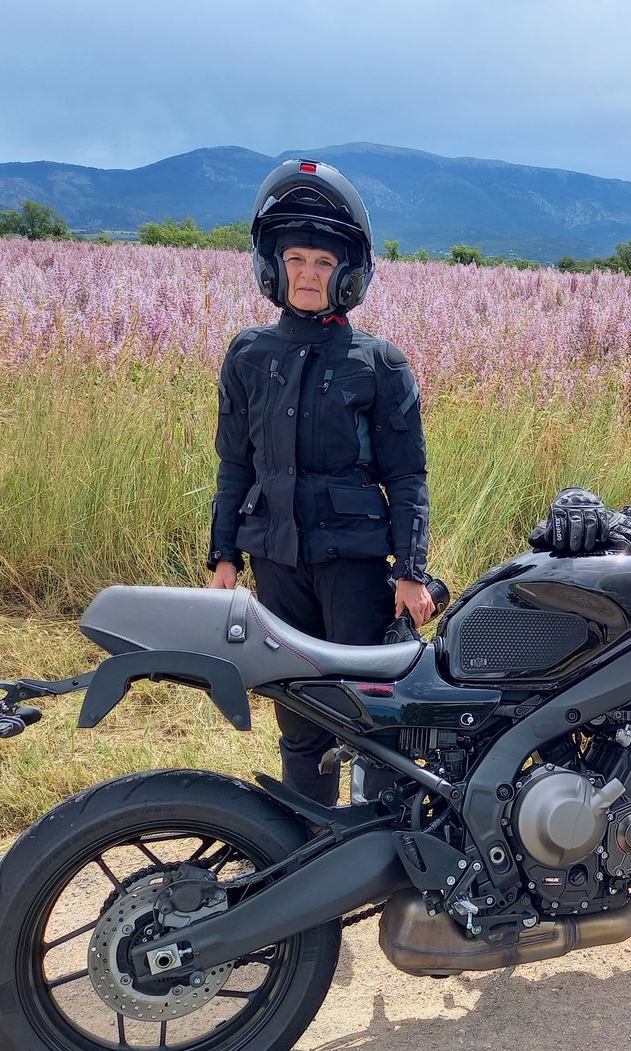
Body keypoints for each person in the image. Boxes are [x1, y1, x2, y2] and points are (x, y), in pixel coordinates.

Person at [206, 159, 435, 804]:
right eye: (297, 260)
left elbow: (406, 474)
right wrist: (224, 556)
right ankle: (308, 842)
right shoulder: (248, 356)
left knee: (372, 710)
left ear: (348, 274)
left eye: (324, 263)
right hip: (275, 559)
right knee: (300, 714)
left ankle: (384, 840)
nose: (308, 274)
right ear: (274, 268)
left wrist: (410, 571)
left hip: (353, 565)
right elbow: (235, 464)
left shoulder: (379, 363)